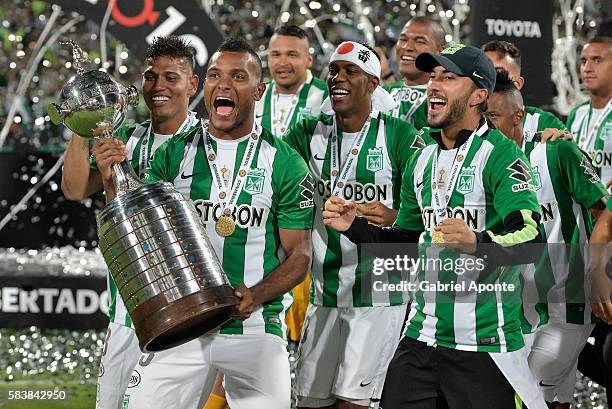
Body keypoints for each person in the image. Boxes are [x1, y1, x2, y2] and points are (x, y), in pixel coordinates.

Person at [323, 44, 548, 409]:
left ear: (479, 95)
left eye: (448, 77)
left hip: (484, 345)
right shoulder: (420, 160)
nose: (433, 86)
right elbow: (405, 244)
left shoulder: (503, 156)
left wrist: (478, 241)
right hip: (421, 339)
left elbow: (532, 239)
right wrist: (354, 227)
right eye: (432, 77)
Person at [106, 37, 313, 409]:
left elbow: (300, 255)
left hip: (254, 331)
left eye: (238, 76)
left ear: (259, 90)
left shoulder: (285, 163)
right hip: (184, 329)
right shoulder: (174, 153)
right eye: (216, 75)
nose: (224, 84)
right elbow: (144, 234)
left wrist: (258, 294)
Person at [284, 41, 427, 409]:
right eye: (334, 70)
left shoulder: (399, 136)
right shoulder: (306, 133)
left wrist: (396, 217)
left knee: (354, 403)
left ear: (374, 85)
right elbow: (272, 166)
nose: (338, 78)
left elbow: (432, 206)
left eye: (351, 72)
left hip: (377, 296)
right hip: (324, 292)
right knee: (310, 402)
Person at [60, 36, 200, 409]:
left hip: (183, 310)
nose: (159, 86)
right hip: (126, 312)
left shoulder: (209, 143)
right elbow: (74, 189)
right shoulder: (125, 137)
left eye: (172, 77)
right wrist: (81, 120)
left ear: (192, 84)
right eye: (151, 77)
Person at [488, 68, 609, 409]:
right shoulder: (488, 165)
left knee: (525, 396)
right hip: (522, 307)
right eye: (484, 116)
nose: (488, 124)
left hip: (567, 304)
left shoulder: (556, 151)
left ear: (518, 117)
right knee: (556, 401)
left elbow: (605, 212)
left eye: (495, 116)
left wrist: (599, 274)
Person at [255, 24, 328, 138]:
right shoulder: (254, 97)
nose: (283, 62)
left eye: (292, 54)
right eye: (276, 54)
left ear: (308, 60)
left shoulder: (328, 98)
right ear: (268, 59)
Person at [482, 40, 566, 137]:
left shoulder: (544, 123)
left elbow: (576, 150)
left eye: (499, 76)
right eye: (483, 75)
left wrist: (563, 146)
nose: (489, 84)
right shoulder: (465, 122)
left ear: (518, 84)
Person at [382, 16, 446, 129]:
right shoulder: (383, 93)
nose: (408, 47)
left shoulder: (443, 97)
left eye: (420, 41)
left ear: (439, 52)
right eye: (403, 39)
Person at [566, 36, 612, 189]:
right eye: (584, 61)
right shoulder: (577, 114)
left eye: (597, 60)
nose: (587, 68)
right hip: (584, 209)